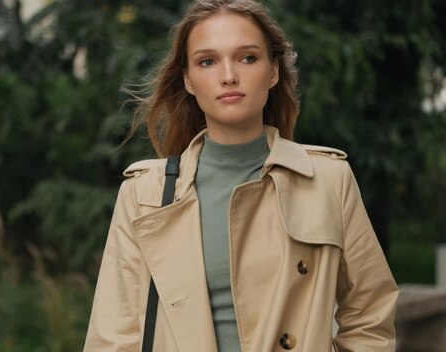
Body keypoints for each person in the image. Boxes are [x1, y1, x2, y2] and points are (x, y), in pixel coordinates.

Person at [84, 0, 398, 351]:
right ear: (188, 80)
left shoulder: (328, 180)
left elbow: (370, 312)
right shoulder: (144, 193)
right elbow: (113, 335)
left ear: (274, 71)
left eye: (248, 57)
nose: (229, 75)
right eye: (208, 61)